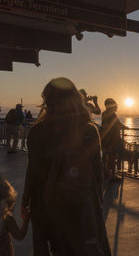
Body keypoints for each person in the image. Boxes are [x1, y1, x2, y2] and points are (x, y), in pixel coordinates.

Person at [21, 77, 111, 256]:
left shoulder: (37, 132)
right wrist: (95, 201)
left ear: (47, 101)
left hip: (48, 205)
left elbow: (34, 173)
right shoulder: (88, 131)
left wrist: (26, 200)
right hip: (80, 202)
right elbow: (97, 172)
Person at [0, 176, 30, 256]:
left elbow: (19, 235)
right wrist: (25, 221)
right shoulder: (7, 218)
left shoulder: (7, 218)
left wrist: (25, 221)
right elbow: (19, 236)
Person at [101, 98, 126, 182]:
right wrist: (124, 127)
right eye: (115, 104)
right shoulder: (112, 114)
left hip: (105, 138)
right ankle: (112, 176)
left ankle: (107, 174)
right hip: (112, 139)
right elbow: (117, 124)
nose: (117, 106)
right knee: (112, 158)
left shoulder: (104, 113)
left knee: (107, 157)